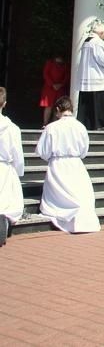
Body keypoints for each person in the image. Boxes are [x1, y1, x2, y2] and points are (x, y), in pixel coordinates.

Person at [36, 96, 100, 233]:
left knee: (59, 197)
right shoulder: (80, 127)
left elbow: (43, 151)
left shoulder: (51, 127)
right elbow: (84, 150)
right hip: (76, 164)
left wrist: (51, 157)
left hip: (58, 164)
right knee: (80, 193)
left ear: (58, 109)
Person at [76, 20, 104, 130]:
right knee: (98, 104)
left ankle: (86, 123)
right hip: (97, 78)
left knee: (87, 104)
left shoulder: (86, 41)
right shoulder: (98, 42)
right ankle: (99, 124)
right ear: (101, 33)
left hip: (86, 78)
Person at [0, 88, 24, 247]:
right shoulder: (12, 128)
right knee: (5, 201)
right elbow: (17, 153)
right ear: (5, 104)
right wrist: (18, 170)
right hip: (4, 168)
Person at [39, 55, 69, 126]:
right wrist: (52, 84)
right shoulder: (50, 63)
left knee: (58, 107)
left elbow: (67, 75)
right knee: (48, 106)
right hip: (49, 88)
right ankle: (45, 124)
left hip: (60, 88)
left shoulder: (65, 65)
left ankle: (54, 124)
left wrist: (61, 84)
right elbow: (46, 74)